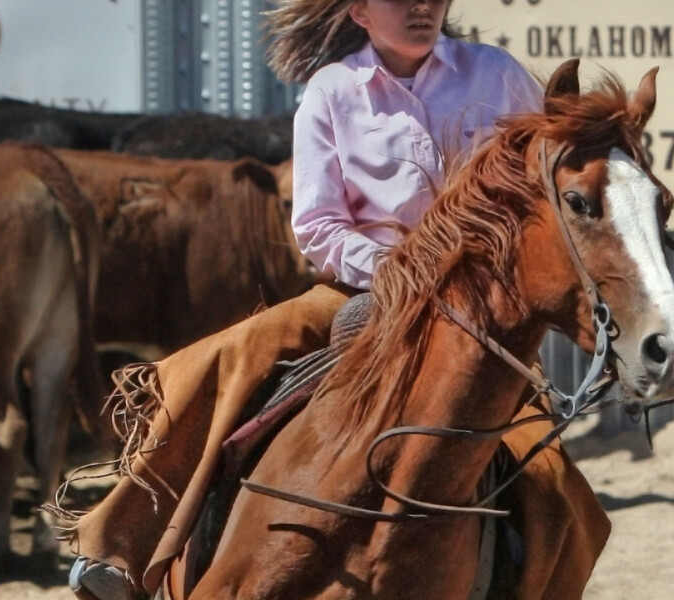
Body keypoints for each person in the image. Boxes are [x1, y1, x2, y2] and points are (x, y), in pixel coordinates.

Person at [64, 0, 609, 598]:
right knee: (237, 353)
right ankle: (116, 541)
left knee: (556, 478)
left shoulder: (498, 74)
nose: (422, 7)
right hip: (364, 293)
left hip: (481, 316)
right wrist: (406, 274)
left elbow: (550, 184)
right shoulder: (332, 91)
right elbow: (318, 225)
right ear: (361, 11)